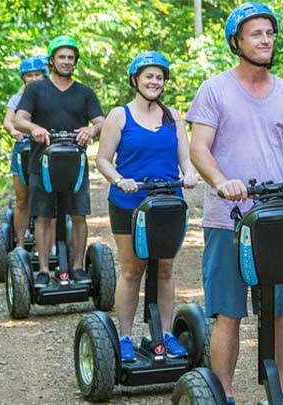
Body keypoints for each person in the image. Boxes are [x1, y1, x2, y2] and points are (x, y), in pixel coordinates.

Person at [187, 3, 283, 404]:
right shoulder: (215, 89)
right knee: (229, 312)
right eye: (256, 34)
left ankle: (274, 394)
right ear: (236, 43)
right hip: (228, 220)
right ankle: (223, 394)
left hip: (276, 220)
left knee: (281, 312)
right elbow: (198, 149)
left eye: (269, 33)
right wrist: (221, 181)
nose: (265, 40)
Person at [96, 51, 197, 362]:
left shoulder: (174, 116)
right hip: (129, 202)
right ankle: (125, 337)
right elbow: (102, 159)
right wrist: (119, 180)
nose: (155, 81)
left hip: (167, 203)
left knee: (165, 269)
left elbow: (184, 157)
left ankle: (165, 334)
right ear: (135, 79)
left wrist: (190, 172)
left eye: (159, 77)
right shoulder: (119, 115)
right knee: (132, 270)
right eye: (148, 76)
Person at [13, 35, 105, 288]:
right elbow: (19, 119)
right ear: (52, 60)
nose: (66, 61)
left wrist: (91, 130)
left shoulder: (84, 92)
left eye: (70, 58)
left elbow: (101, 121)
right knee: (43, 216)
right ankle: (43, 269)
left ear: (75, 62)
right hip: (41, 163)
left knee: (78, 215)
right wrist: (34, 128)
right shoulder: (35, 90)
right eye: (61, 57)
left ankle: (76, 267)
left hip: (75, 165)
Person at [1, 56, 48, 249]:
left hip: (45, 149)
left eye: (38, 74)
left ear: (44, 75)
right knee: (22, 199)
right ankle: (20, 245)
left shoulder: (51, 96)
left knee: (46, 200)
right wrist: (13, 131)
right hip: (23, 149)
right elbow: (8, 121)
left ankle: (44, 245)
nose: (34, 78)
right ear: (24, 78)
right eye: (30, 75)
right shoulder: (17, 99)